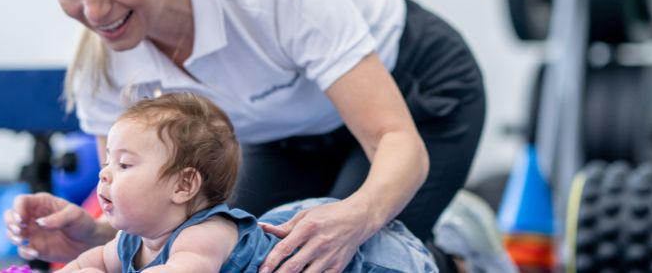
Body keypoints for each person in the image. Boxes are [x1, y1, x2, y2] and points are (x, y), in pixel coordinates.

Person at [7, 0, 486, 273]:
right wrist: (93, 235)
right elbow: (156, 219)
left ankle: (454, 252)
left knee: (336, 258)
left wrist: (356, 217)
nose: (92, 11)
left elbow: (395, 138)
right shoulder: (103, 64)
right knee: (237, 254)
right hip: (284, 132)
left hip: (413, 93)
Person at [54, 92, 437, 273]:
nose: (104, 173)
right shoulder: (130, 242)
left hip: (377, 264)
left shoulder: (204, 235)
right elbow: (88, 264)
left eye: (124, 164)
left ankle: (453, 246)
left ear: (183, 186)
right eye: (107, 161)